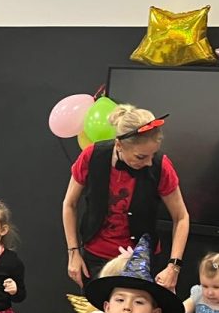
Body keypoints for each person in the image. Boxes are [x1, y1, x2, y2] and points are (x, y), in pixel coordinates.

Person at [62, 104, 190, 291]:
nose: (149, 162)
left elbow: (181, 217)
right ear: (119, 145)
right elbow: (69, 204)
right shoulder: (92, 156)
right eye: (140, 157)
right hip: (95, 259)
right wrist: (73, 253)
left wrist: (174, 266)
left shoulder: (161, 166)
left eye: (153, 155)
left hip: (142, 260)